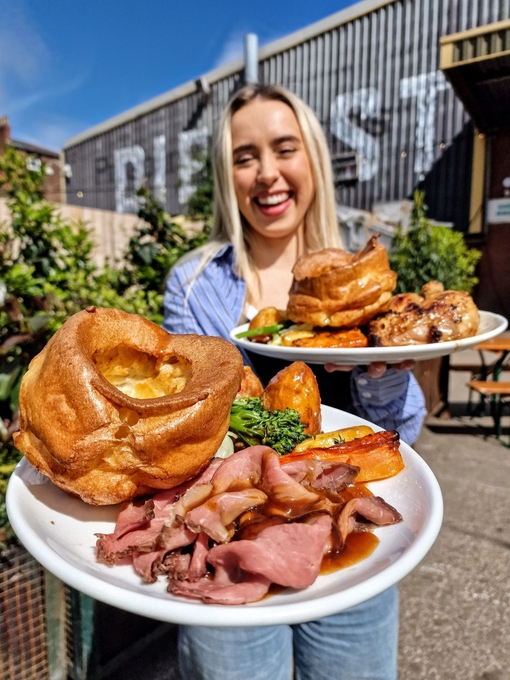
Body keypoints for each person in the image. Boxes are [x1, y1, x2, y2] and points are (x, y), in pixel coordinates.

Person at [163, 84, 426, 680]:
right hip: (237, 543)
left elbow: (402, 436)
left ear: (312, 158)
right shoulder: (194, 284)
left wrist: (383, 376)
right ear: (226, 174)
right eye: (244, 156)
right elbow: (190, 421)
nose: (266, 174)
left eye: (284, 148)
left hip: (351, 545)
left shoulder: (358, 279)